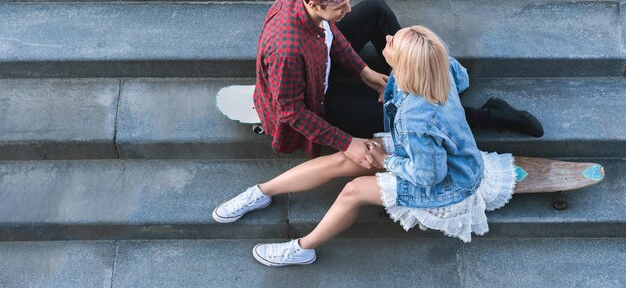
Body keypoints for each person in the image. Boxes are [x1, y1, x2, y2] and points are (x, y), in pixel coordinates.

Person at [213, 26, 518, 266]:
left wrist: (387, 161)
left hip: (448, 185)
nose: (385, 38)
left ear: (404, 63)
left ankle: (301, 250)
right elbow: (459, 76)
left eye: (391, 43)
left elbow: (429, 176)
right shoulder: (438, 66)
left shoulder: (417, 120)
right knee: (347, 156)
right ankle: (261, 193)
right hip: (426, 154)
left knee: (354, 190)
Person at [253, 0, 543, 167]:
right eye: (340, 7)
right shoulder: (287, 52)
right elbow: (292, 112)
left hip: (321, 63)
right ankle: (487, 116)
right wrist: (347, 142)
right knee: (400, 114)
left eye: (347, 0)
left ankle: (413, 78)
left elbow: (329, 34)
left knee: (376, 10)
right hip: (319, 100)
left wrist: (362, 70)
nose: (348, 10)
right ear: (313, 4)